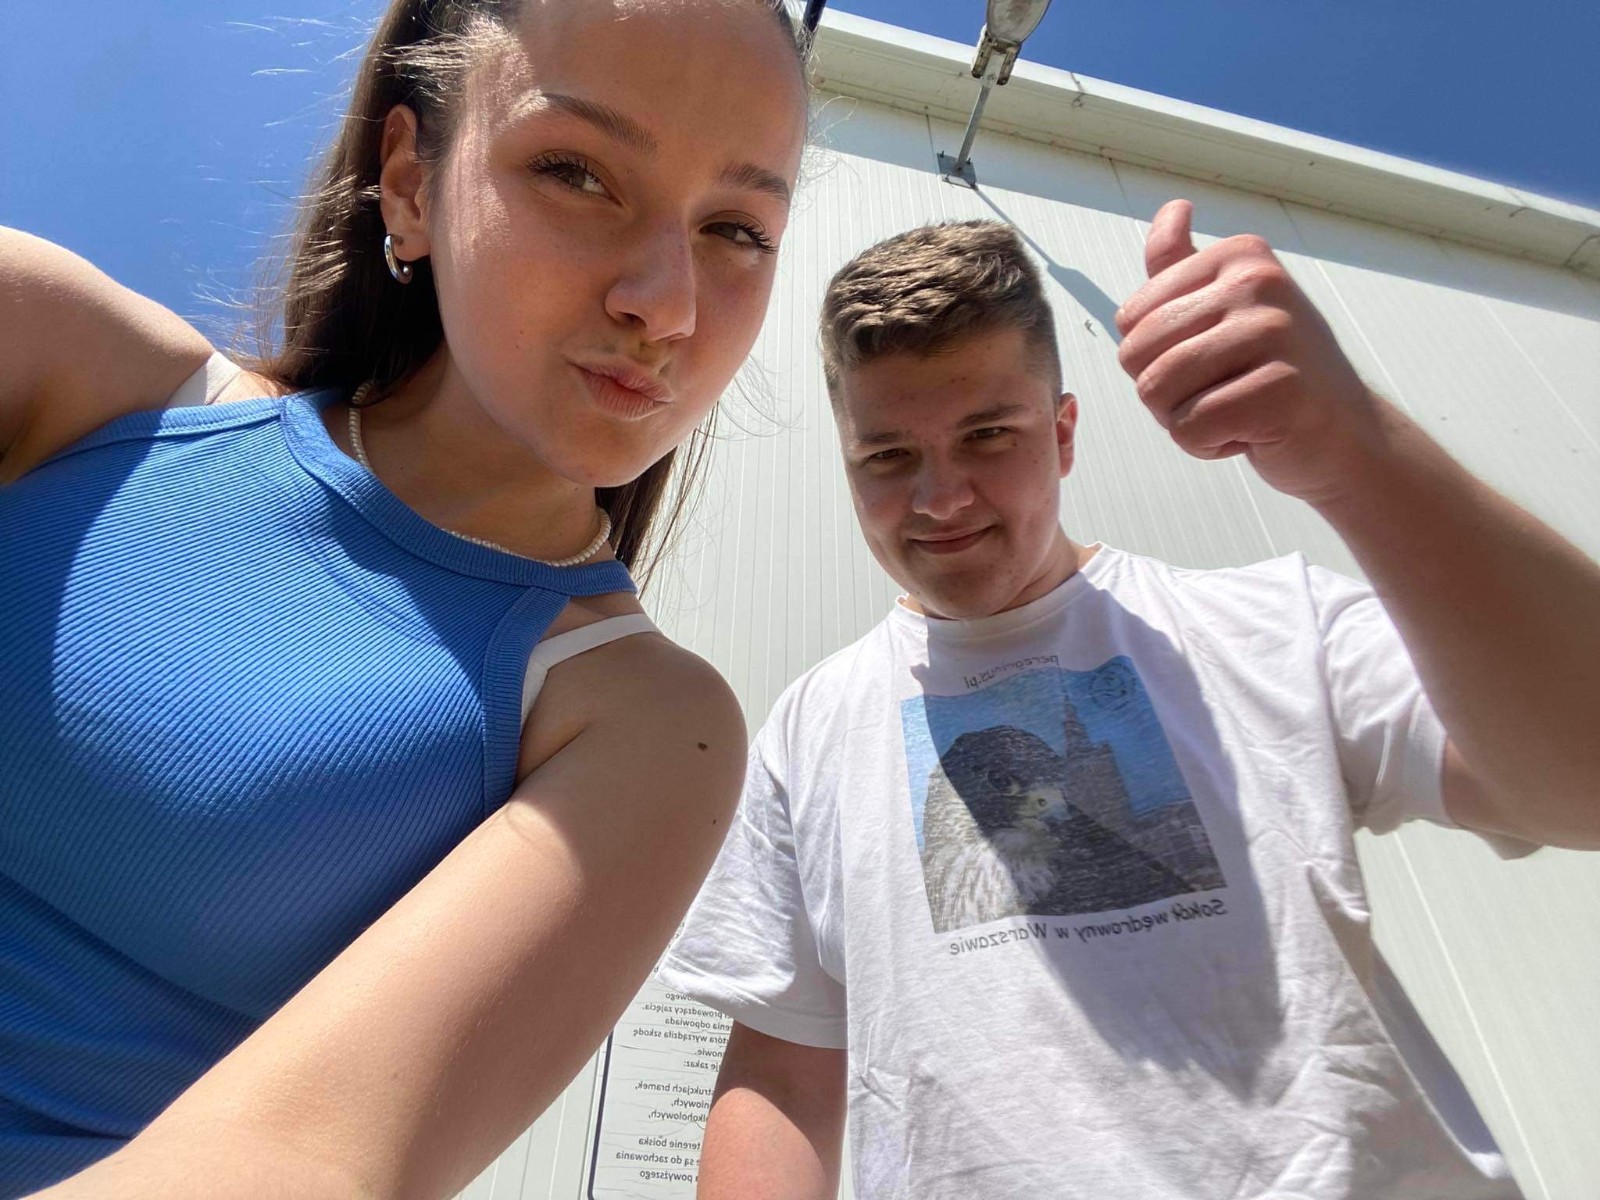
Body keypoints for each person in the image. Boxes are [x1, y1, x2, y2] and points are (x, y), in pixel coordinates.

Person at [0, 1, 809, 1195]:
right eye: (578, 173)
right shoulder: (68, 363)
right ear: (410, 183)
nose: (668, 304)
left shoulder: (640, 722)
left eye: (737, 229)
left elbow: (302, 1163)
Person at [658, 208, 1600, 1199]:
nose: (940, 498)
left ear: (1063, 435)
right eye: (887, 456)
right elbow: (782, 1076)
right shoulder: (810, 727)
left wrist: (1354, 447)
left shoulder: (1271, 626)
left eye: (988, 435)